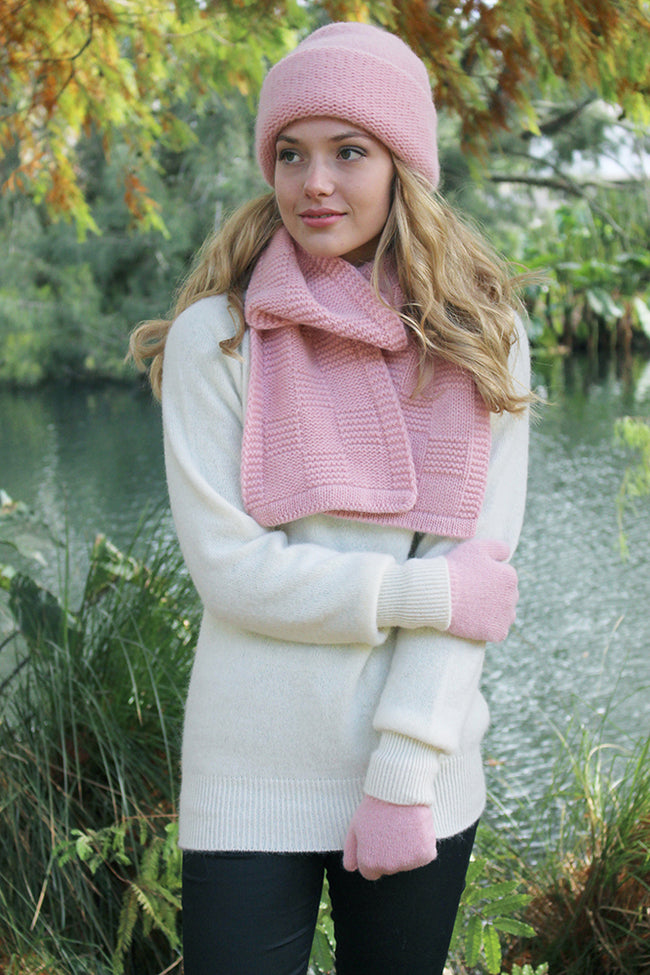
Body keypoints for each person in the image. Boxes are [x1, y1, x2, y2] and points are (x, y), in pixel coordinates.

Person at [130, 21, 531, 975]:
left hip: (419, 767)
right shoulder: (216, 338)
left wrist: (403, 771)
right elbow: (234, 573)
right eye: (290, 153)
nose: (315, 182)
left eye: (348, 151)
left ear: (402, 164)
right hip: (250, 769)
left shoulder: (481, 337)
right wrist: (418, 594)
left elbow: (475, 568)